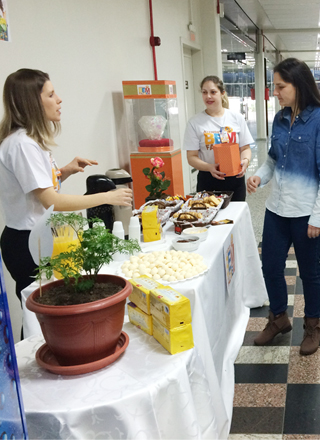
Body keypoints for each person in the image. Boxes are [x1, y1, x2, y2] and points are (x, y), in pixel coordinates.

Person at [0, 68, 133, 307]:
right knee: (39, 315)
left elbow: (34, 190)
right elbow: (52, 201)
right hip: (25, 242)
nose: (59, 100)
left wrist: (65, 171)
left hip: (37, 237)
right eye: (51, 95)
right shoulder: (21, 145)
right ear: (32, 102)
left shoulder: (29, 142)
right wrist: (106, 197)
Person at [247, 58, 320, 356]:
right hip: (276, 209)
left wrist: (318, 216)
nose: (274, 92)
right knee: (270, 267)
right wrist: (258, 177)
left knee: (310, 274)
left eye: (280, 86)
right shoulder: (279, 119)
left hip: (305, 213)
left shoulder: (317, 120)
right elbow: (273, 160)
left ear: (298, 85)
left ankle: (313, 326)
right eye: (274, 86)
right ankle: (278, 318)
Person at [183, 75, 253, 201]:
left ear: (222, 93)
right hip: (208, 179)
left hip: (235, 178)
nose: (208, 96)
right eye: (204, 92)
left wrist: (245, 161)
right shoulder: (195, 122)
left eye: (213, 92)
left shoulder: (236, 118)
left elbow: (245, 148)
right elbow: (191, 157)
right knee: (209, 217)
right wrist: (209, 167)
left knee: (234, 217)